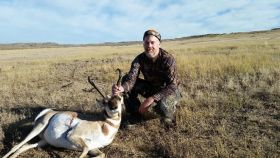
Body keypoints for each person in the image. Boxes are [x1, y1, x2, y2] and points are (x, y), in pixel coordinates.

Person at [112, 29, 181, 128]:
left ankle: (168, 117)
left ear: (159, 44)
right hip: (151, 87)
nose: (149, 46)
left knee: (163, 109)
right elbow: (131, 79)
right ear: (143, 44)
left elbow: (173, 85)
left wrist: (152, 98)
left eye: (152, 42)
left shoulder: (168, 59)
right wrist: (121, 88)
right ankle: (135, 115)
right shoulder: (139, 59)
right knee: (125, 79)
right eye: (146, 42)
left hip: (169, 91)